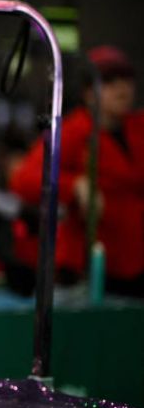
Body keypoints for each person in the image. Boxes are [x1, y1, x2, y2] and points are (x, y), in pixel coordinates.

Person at [9, 45, 144, 296]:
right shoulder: (73, 130)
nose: (122, 87)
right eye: (110, 80)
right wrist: (75, 185)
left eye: (126, 79)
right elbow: (23, 179)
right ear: (88, 92)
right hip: (95, 269)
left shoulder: (139, 127)